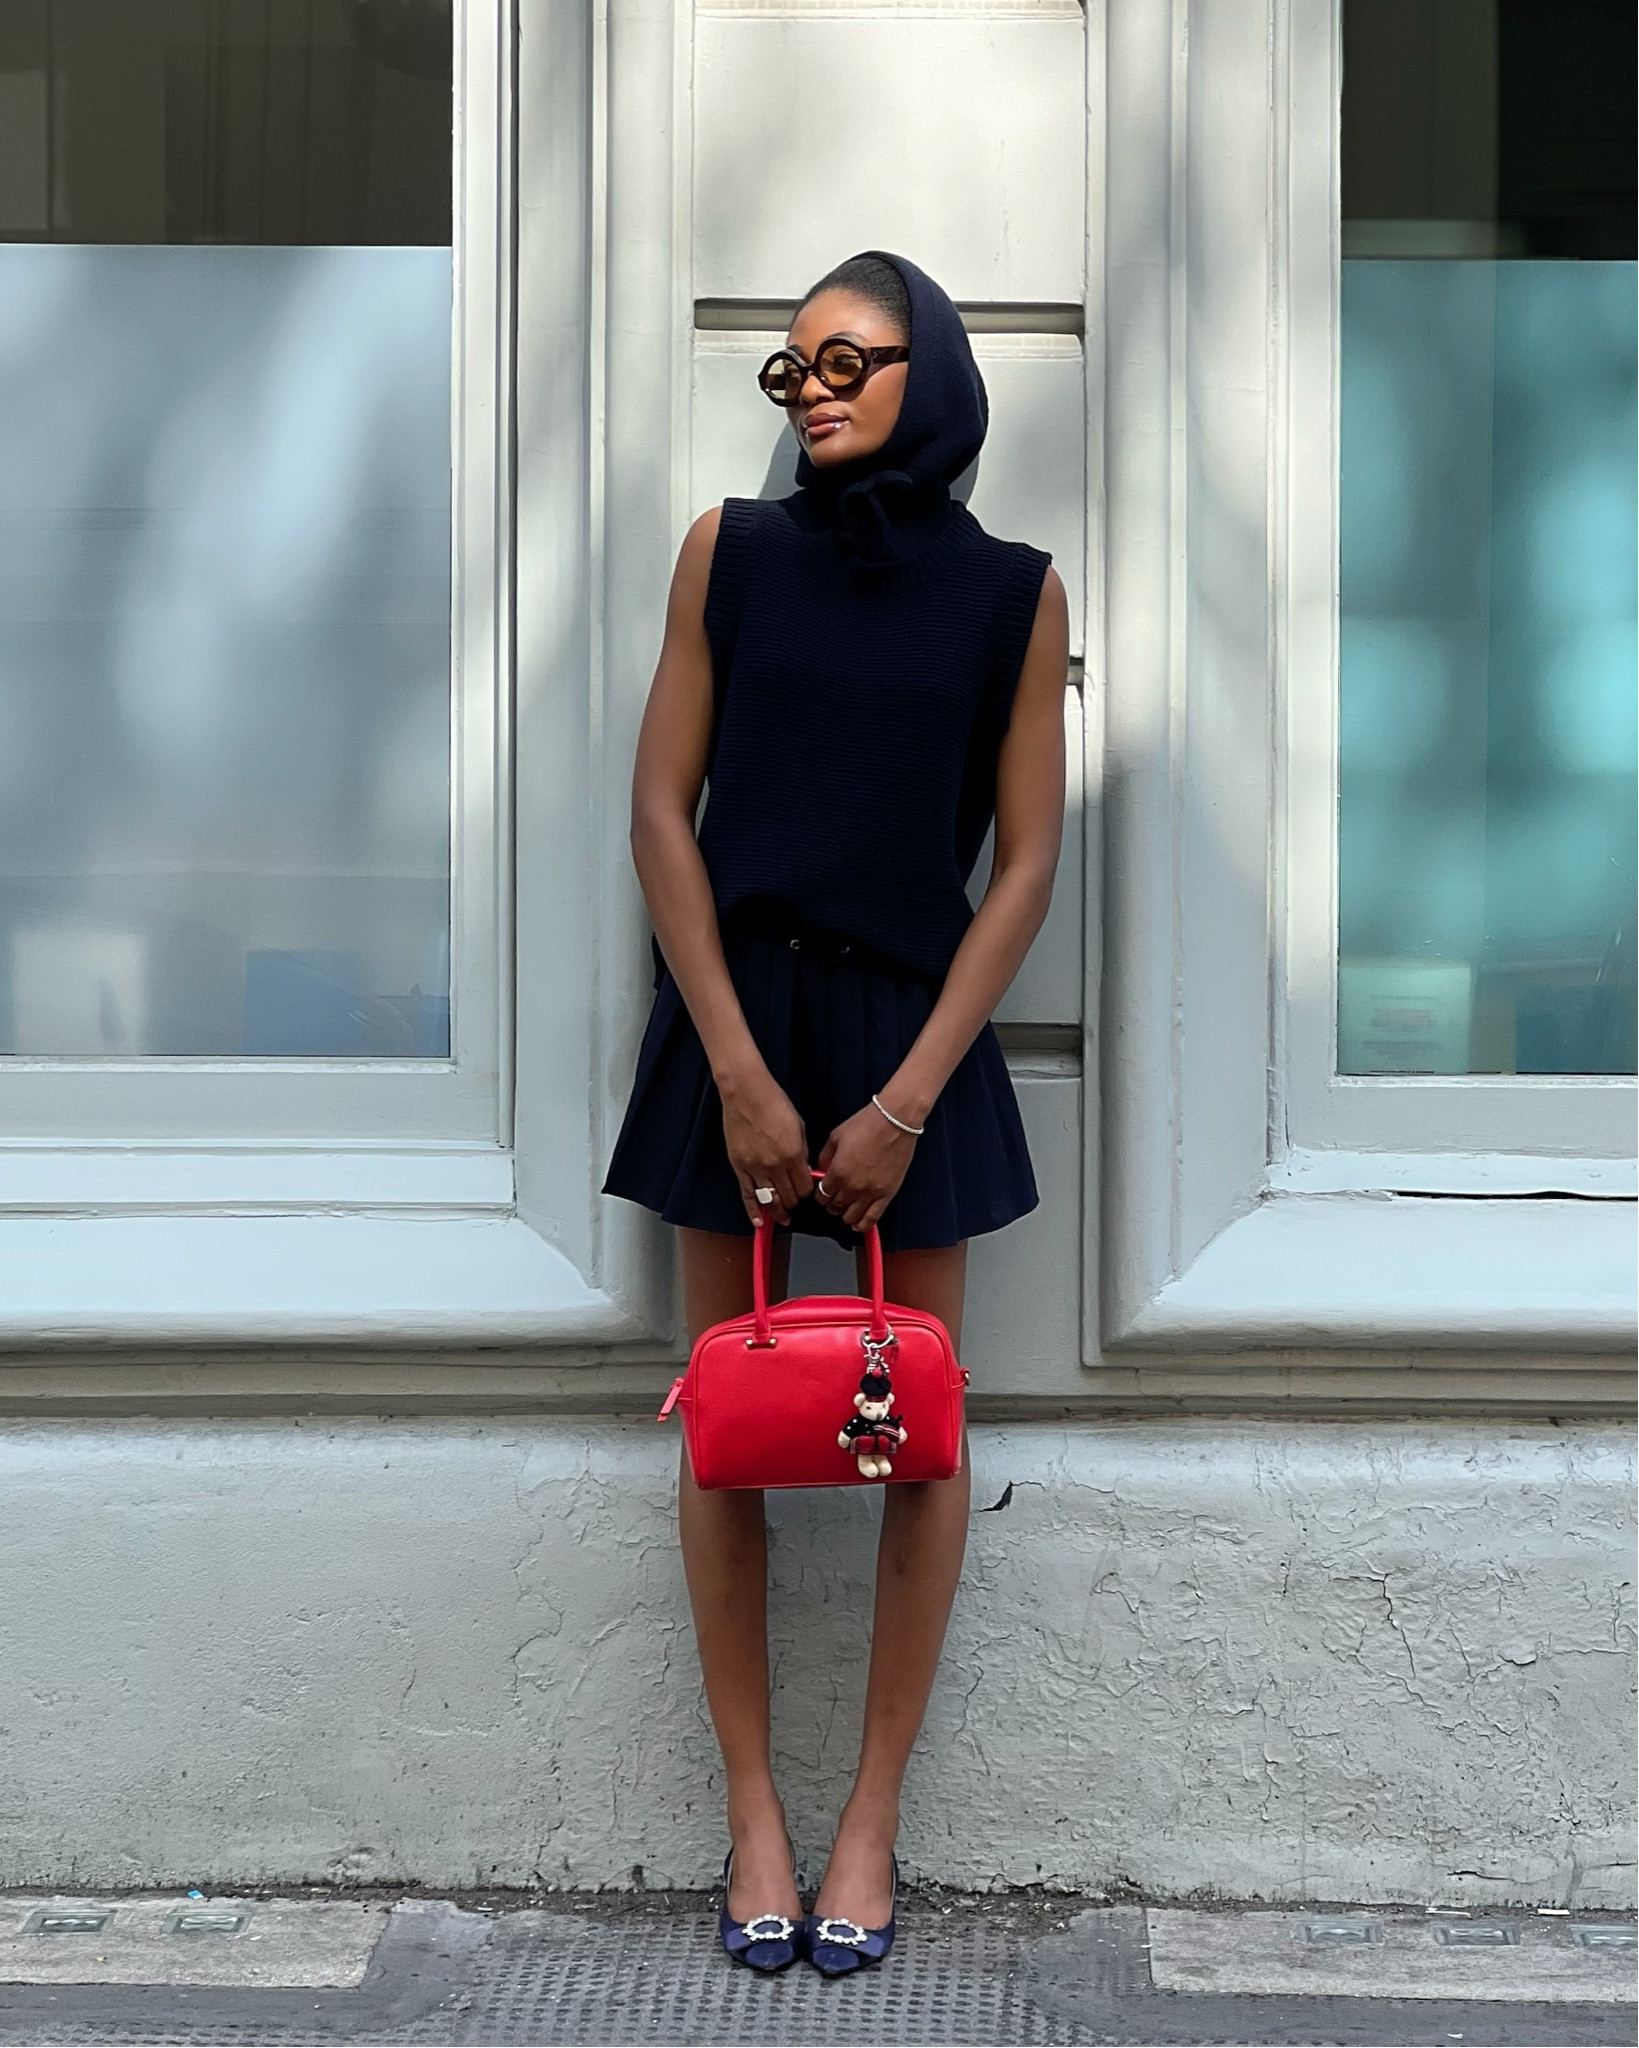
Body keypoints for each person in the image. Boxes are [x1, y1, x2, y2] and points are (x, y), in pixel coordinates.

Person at [602, 249, 1068, 1975]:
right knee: (727, 1420)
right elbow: (662, 813)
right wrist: (732, 1066)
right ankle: (755, 1815)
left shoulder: (1018, 594)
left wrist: (901, 1099)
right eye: (786, 369)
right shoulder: (729, 554)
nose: (808, 391)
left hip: (906, 1037)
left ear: (926, 371)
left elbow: (1022, 869)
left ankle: (872, 1816)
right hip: (733, 1020)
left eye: (845, 361)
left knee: (915, 1429)